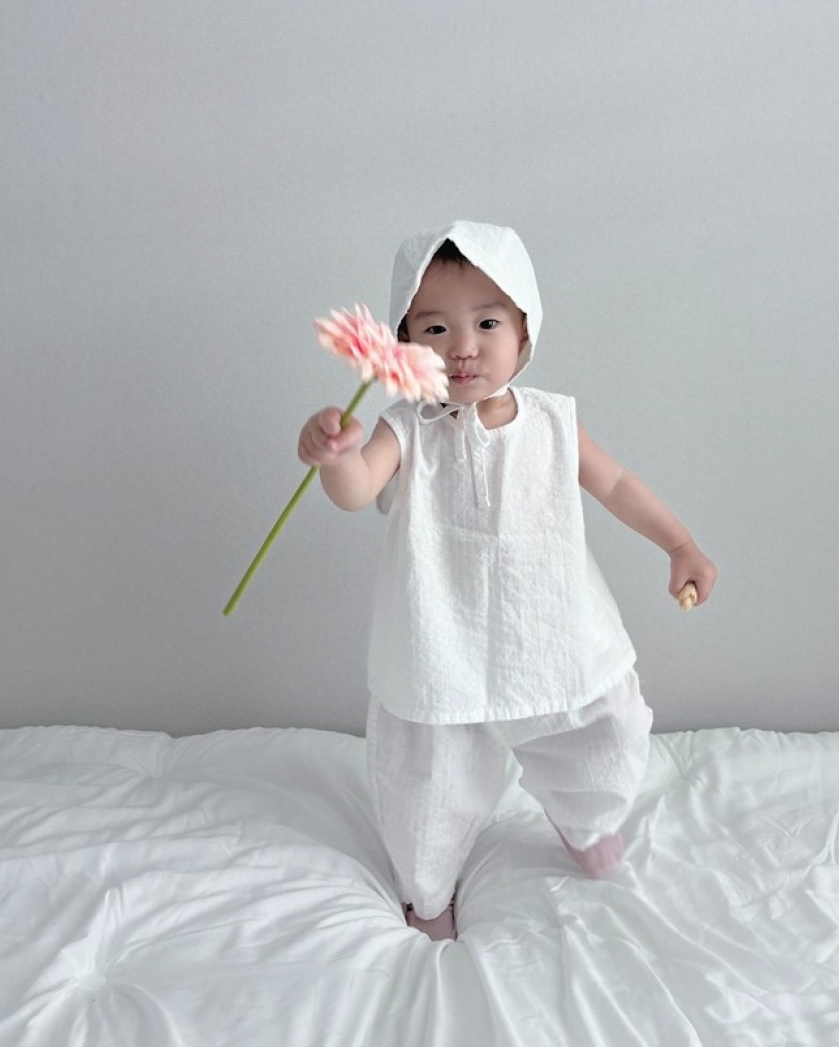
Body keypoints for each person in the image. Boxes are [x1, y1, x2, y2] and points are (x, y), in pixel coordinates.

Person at [297, 221, 717, 942]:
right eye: (435, 328)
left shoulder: (552, 421)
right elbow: (358, 489)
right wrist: (336, 457)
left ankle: (587, 820)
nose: (461, 346)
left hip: (548, 626)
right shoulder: (407, 428)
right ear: (404, 346)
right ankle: (428, 888)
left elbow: (616, 484)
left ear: (525, 331)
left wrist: (679, 543)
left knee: (604, 730)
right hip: (441, 639)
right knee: (429, 780)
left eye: (487, 323)